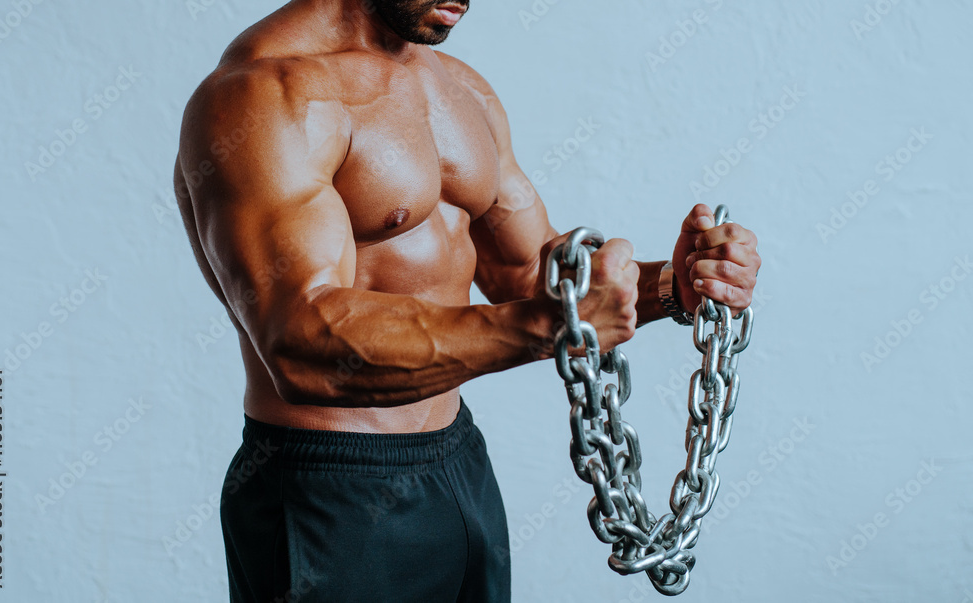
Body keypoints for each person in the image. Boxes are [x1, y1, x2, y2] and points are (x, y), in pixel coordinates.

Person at [173, 0, 761, 600]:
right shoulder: (260, 96)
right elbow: (299, 340)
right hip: (328, 489)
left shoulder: (459, 88)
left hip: (458, 463)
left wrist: (675, 286)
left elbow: (526, 272)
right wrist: (550, 327)